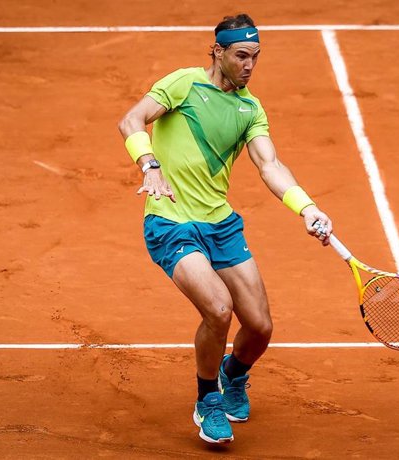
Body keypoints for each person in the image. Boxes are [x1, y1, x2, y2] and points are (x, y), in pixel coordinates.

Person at [118, 13, 333, 444]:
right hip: (170, 221)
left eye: (256, 56)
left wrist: (306, 207)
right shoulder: (184, 84)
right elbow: (131, 121)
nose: (250, 65)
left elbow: (270, 165)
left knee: (259, 327)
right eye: (241, 55)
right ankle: (207, 401)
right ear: (217, 51)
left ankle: (232, 376)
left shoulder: (249, 108)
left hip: (220, 226)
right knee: (218, 309)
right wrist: (149, 164)